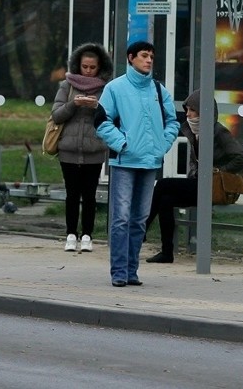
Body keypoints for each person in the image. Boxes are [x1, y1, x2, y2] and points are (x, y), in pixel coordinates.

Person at [95, 41, 180, 287]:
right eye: (144, 56)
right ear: (130, 58)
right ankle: (119, 272)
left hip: (149, 162)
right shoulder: (115, 88)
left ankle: (132, 271)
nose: (149, 60)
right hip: (123, 162)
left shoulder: (158, 89)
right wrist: (122, 144)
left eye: (152, 56)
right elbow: (100, 121)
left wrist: (161, 145)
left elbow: (172, 121)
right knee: (121, 217)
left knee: (140, 219)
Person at [145, 89, 243, 263]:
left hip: (214, 187)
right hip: (199, 184)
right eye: (187, 110)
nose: (188, 114)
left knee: (162, 184)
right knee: (166, 200)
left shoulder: (218, 131)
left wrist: (218, 170)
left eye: (192, 110)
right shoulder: (194, 131)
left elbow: (240, 159)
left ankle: (141, 231)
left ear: (203, 110)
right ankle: (167, 252)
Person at [51, 42, 113, 253]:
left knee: (89, 195)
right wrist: (73, 104)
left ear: (99, 67)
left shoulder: (106, 88)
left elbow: (113, 117)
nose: (87, 71)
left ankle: (87, 235)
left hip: (94, 150)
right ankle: (70, 234)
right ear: (77, 65)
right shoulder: (67, 85)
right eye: (84, 66)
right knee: (71, 193)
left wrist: (97, 106)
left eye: (92, 67)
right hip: (68, 149)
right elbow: (56, 115)